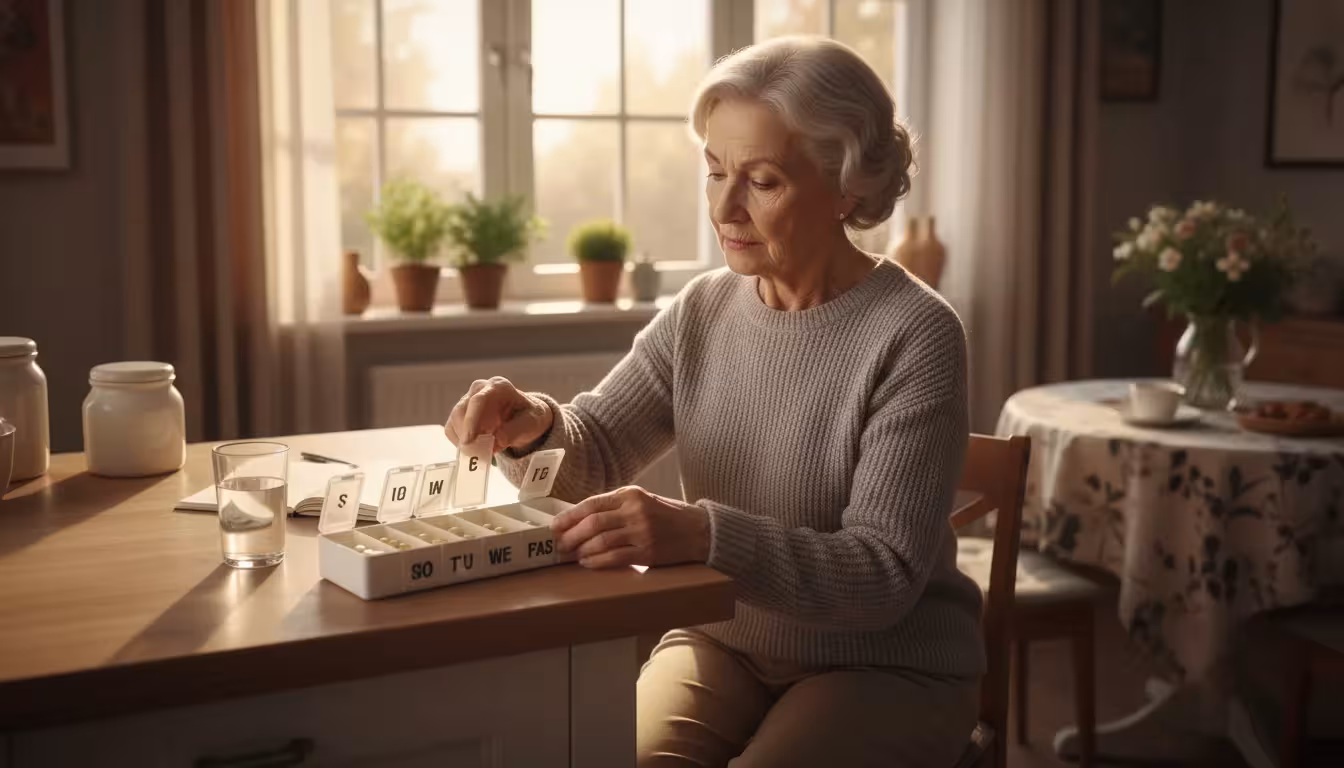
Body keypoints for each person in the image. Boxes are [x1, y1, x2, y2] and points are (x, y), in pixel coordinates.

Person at [444, 35, 981, 768]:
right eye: (715, 170)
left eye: (762, 182)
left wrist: (702, 537)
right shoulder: (703, 308)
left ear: (846, 189)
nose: (724, 207)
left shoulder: (916, 332)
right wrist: (532, 426)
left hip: (889, 663)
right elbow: (596, 448)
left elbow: (883, 574)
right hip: (725, 639)